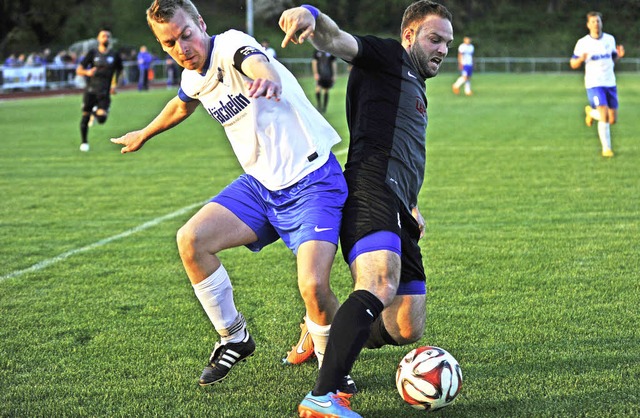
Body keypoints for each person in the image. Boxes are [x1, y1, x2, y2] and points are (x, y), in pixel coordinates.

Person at [110, 0, 349, 391]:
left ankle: (333, 374)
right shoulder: (193, 74)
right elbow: (182, 103)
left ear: (200, 24)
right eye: (169, 43)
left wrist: (268, 76)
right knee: (191, 241)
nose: (182, 47)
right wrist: (144, 133)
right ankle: (234, 336)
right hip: (260, 185)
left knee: (313, 286)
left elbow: (254, 61)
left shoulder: (230, 44)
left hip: (311, 181)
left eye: (186, 34)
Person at [279, 1, 453, 416]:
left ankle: (320, 327)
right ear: (410, 36)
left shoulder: (412, 80)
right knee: (378, 283)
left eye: (447, 41)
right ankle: (323, 396)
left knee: (406, 325)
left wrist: (413, 203)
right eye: (435, 39)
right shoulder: (389, 56)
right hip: (371, 188)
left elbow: (403, 145)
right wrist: (312, 15)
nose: (443, 49)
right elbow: (338, 40)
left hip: (399, 202)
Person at [570, 11, 624, 158]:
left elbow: (613, 59)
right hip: (594, 83)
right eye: (593, 22)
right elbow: (573, 63)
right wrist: (581, 59)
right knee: (605, 115)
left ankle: (591, 113)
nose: (596, 24)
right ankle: (606, 149)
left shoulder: (609, 39)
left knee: (612, 119)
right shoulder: (583, 43)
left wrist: (618, 56)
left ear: (602, 23)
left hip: (610, 82)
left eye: (598, 21)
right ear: (588, 25)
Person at [76, 28, 123, 152]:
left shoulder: (114, 55)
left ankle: (95, 112)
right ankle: (84, 142)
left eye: (107, 36)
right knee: (85, 117)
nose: (105, 38)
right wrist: (87, 72)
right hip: (91, 90)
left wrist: (115, 85)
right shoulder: (92, 53)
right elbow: (79, 70)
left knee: (102, 119)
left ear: (110, 39)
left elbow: (120, 71)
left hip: (104, 91)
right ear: (98, 39)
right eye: (103, 36)